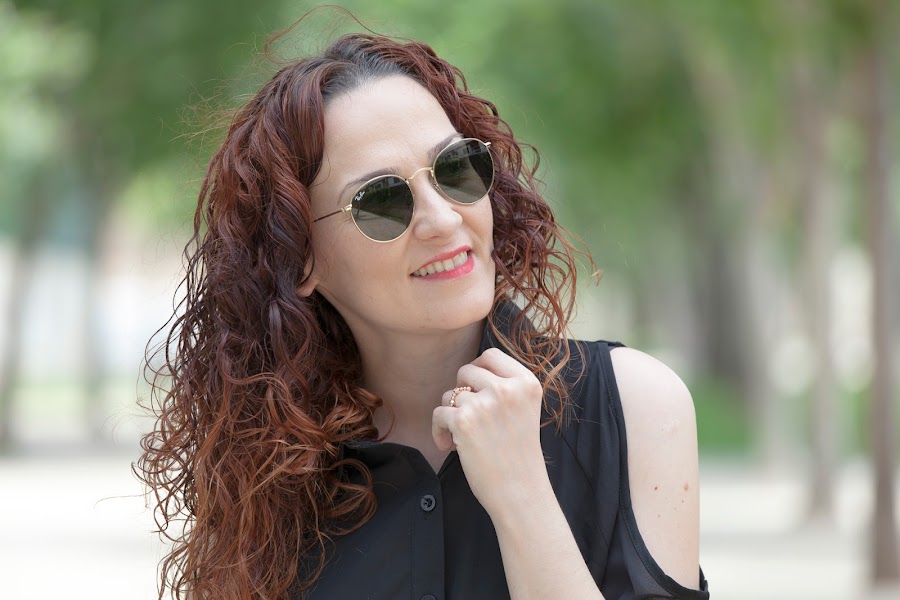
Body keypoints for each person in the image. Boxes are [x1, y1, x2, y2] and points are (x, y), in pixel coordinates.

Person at [137, 26, 710, 600]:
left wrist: (520, 492)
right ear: (302, 258)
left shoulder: (636, 406)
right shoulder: (269, 478)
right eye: (383, 201)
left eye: (456, 168)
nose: (443, 219)